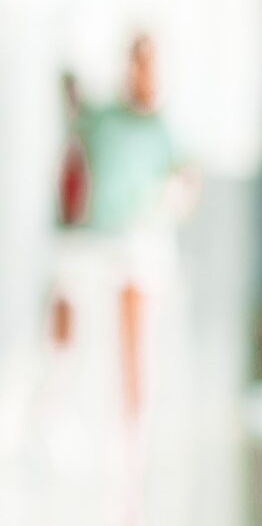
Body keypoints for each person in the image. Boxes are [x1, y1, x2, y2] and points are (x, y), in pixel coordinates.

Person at [55, 35, 186, 420]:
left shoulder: (164, 130)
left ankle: (133, 427)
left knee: (135, 340)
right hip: (98, 240)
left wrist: (173, 197)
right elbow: (75, 114)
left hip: (141, 244)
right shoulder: (105, 119)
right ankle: (61, 402)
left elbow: (185, 182)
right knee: (68, 299)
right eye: (138, 64)